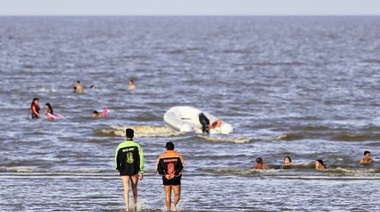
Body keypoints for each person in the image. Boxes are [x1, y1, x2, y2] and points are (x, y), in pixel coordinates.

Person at [115, 128, 144, 211]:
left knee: (126, 188)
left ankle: (127, 208)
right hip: (134, 169)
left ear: (126, 135)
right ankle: (134, 206)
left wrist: (117, 167)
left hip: (124, 169)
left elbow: (117, 157)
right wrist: (141, 171)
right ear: (133, 135)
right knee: (134, 188)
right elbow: (141, 158)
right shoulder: (136, 146)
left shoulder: (120, 146)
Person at [156, 142, 185, 212]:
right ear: (173, 148)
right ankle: (174, 204)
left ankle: (168, 209)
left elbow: (158, 168)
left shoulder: (161, 157)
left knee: (167, 195)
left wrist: (165, 174)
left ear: (166, 148)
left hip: (166, 177)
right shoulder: (178, 156)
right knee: (177, 194)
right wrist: (175, 174)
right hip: (176, 177)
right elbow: (181, 167)